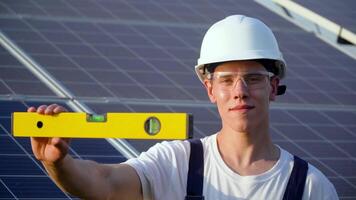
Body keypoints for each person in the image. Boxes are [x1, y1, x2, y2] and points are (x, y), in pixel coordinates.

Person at [29, 15, 338, 200]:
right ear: (210, 89)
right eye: (227, 80)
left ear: (273, 87)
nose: (239, 92)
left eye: (254, 79)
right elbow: (104, 184)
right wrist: (59, 164)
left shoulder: (311, 187)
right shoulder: (177, 163)